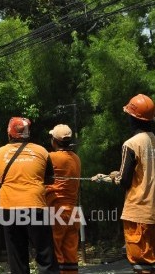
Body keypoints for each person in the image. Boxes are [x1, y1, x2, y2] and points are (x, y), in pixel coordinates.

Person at [92, 94, 155, 274]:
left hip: (138, 212)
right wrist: (116, 174)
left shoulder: (132, 144)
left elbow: (124, 181)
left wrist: (107, 178)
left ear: (133, 118)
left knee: (141, 264)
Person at [0, 117, 59, 274]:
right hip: (35, 205)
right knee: (45, 254)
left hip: (9, 207)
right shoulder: (41, 151)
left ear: (9, 133)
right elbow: (50, 178)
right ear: (28, 133)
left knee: (17, 256)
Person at [46, 124, 81, 273]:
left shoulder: (51, 157)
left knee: (56, 254)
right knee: (70, 256)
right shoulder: (76, 158)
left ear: (54, 140)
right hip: (73, 212)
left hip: (57, 211)